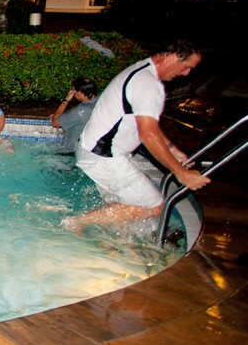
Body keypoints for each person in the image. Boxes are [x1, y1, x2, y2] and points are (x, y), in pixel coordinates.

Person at [67, 40, 210, 229]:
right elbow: (147, 133)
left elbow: (146, 122)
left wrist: (171, 149)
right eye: (186, 67)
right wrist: (181, 173)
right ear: (174, 56)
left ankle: (113, 245)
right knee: (154, 206)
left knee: (122, 207)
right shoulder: (147, 84)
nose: (186, 74)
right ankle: (76, 222)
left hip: (96, 152)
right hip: (104, 157)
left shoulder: (142, 72)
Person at [51, 77, 98, 151]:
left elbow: (55, 122)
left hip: (71, 153)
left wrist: (66, 100)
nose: (72, 92)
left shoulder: (80, 111)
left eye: (73, 90)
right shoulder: (100, 104)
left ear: (80, 93)